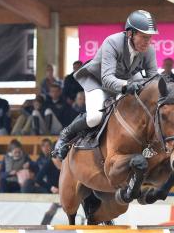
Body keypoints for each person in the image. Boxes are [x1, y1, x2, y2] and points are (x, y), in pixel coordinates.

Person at [53, 10, 159, 159]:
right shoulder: (113, 42)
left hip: (125, 80)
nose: (147, 42)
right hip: (98, 80)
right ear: (130, 34)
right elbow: (108, 79)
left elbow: (153, 79)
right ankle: (66, 133)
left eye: (150, 38)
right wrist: (128, 85)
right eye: (144, 37)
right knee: (95, 118)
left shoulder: (148, 50)